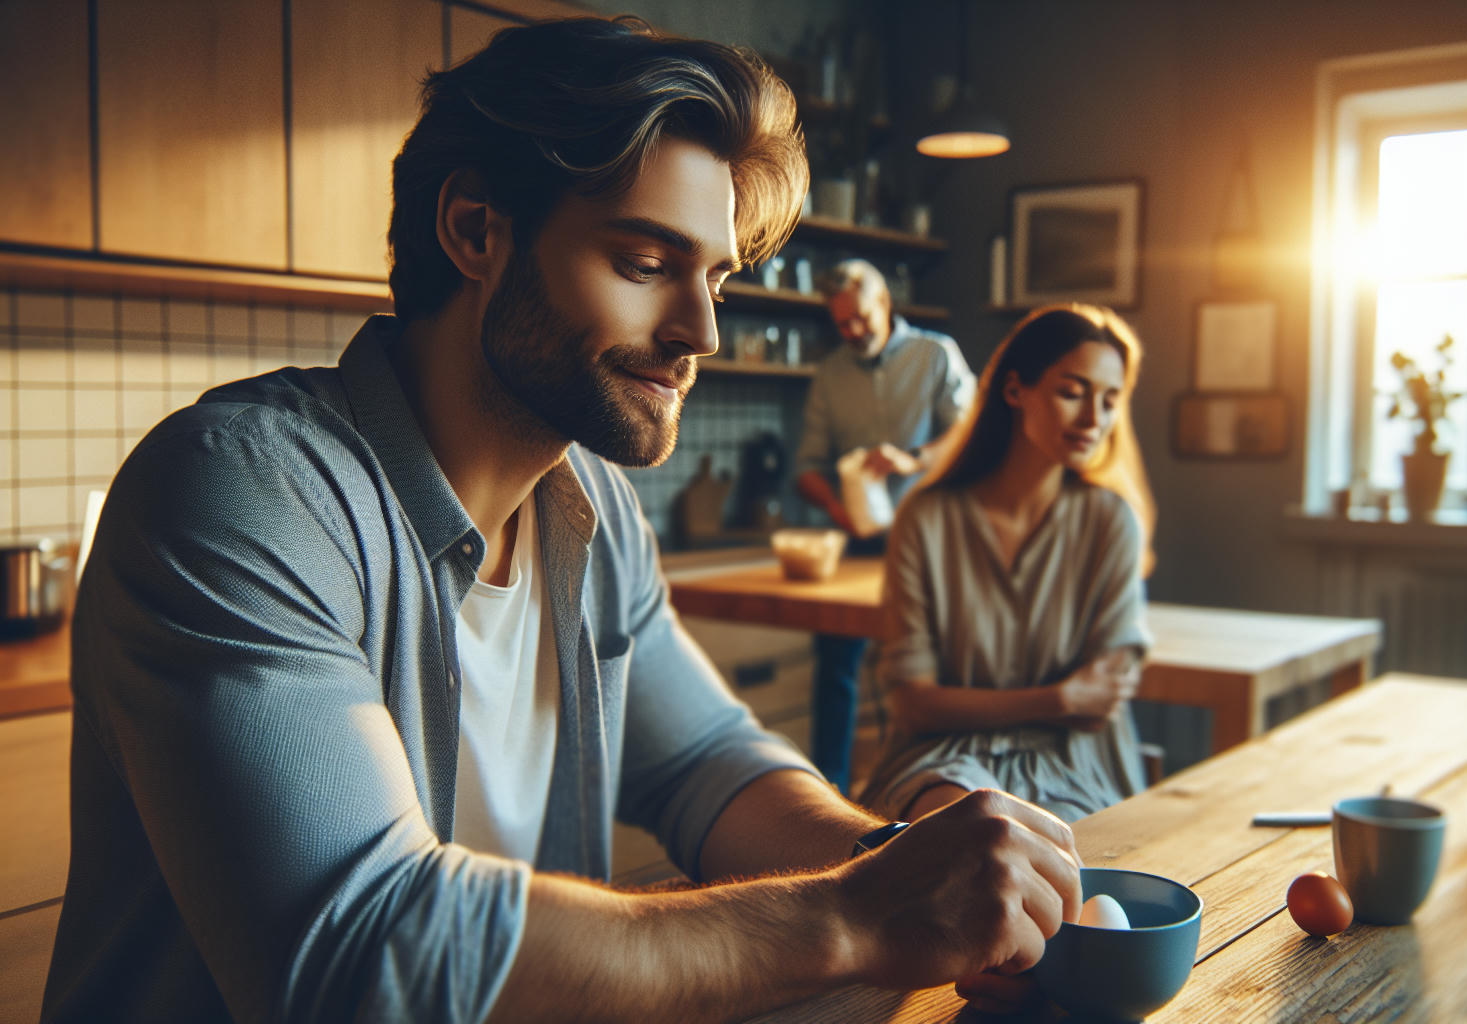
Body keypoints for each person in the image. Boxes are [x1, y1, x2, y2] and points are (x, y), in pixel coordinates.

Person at [42, 18, 1079, 1023]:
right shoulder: (242, 490)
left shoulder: (592, 507)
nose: (701, 331)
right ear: (475, 230)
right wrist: (855, 915)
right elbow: (363, 957)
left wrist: (894, 864)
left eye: (715, 279)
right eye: (645, 263)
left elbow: (707, 764)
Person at [856, 304, 1158, 824]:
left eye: (1110, 401)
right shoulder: (926, 518)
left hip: (1071, 767)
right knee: (966, 828)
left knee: (1046, 851)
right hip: (941, 758)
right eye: (1073, 392)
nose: (1094, 420)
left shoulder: (1111, 522)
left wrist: (1059, 702)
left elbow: (1099, 704)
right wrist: (1060, 698)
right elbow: (913, 705)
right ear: (1015, 390)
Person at [792, 259, 976, 792]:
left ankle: (936, 787)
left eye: (861, 318)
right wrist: (836, 509)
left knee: (930, 668)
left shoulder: (935, 355)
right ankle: (829, 793)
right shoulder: (830, 374)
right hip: (859, 540)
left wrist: (913, 459)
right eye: (842, 323)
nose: (852, 331)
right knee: (835, 665)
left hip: (932, 541)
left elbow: (970, 436)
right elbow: (807, 466)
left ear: (885, 304)